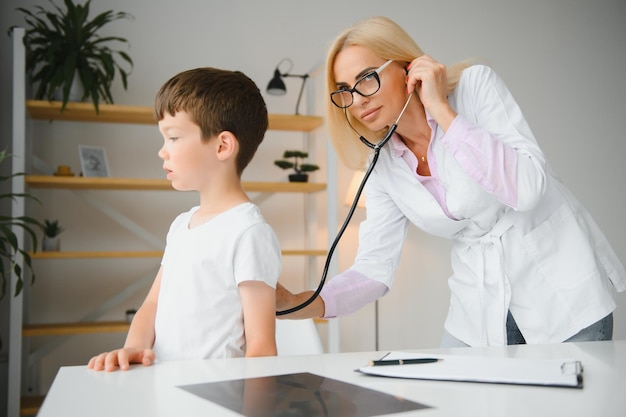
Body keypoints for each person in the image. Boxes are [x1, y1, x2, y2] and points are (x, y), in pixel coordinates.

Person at [277, 16, 626, 347]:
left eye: (367, 77)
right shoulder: (381, 165)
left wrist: (443, 111)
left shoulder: (475, 87)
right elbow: (373, 268)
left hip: (560, 294)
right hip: (479, 304)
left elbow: (528, 188)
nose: (357, 99)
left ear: (407, 67)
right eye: (344, 90)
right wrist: (298, 303)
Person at [88, 67, 282, 371]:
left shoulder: (249, 232)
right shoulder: (181, 226)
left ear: (222, 146)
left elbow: (261, 347)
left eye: (174, 137)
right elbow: (152, 304)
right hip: (167, 388)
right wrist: (134, 349)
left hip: (217, 395)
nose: (162, 152)